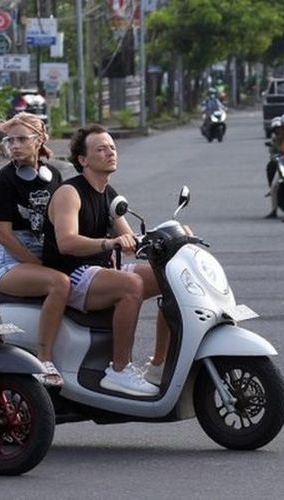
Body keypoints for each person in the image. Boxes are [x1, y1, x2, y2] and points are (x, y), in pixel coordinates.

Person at [42, 124, 169, 397]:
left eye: (112, 147)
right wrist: (108, 243)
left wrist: (169, 238)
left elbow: (132, 242)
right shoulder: (69, 193)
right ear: (83, 160)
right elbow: (66, 242)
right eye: (101, 149)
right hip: (72, 273)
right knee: (131, 285)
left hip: (100, 270)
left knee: (168, 278)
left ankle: (159, 364)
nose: (110, 152)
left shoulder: (109, 193)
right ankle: (119, 370)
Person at [0, 112, 69, 386]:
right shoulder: (5, 179)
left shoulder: (54, 175)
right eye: (11, 140)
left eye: (22, 139)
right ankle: (43, 360)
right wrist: (39, 265)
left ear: (39, 140)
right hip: (9, 262)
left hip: (44, 257)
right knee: (59, 283)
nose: (15, 146)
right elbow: (4, 236)